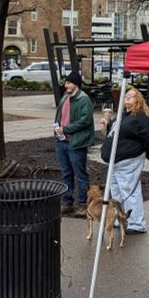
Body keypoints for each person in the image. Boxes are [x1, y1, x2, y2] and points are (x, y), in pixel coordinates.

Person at [100, 86, 149, 234]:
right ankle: (120, 217)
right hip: (115, 161)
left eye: (130, 96)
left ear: (138, 99)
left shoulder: (140, 117)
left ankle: (136, 223)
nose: (126, 99)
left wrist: (147, 151)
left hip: (129, 160)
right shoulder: (124, 115)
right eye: (125, 97)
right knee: (116, 190)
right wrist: (107, 122)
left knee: (129, 190)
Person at [54, 71, 95, 215]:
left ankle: (83, 204)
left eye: (69, 83)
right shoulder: (65, 97)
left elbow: (85, 121)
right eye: (66, 83)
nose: (66, 85)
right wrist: (57, 129)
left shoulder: (84, 99)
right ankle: (67, 202)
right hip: (62, 142)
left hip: (76, 143)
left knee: (80, 174)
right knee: (66, 173)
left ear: (76, 84)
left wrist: (66, 129)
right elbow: (60, 116)